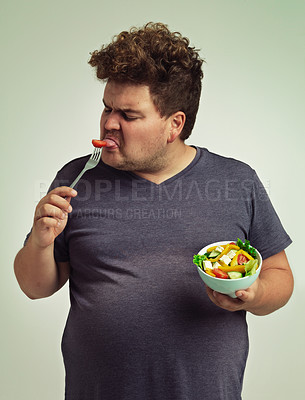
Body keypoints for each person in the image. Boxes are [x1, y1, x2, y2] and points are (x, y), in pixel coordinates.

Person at [14, 22, 293, 400]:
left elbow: (280, 276)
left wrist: (255, 292)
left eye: (128, 115)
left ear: (174, 124)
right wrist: (40, 242)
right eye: (107, 108)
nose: (109, 123)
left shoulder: (236, 181)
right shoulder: (76, 177)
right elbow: (34, 286)